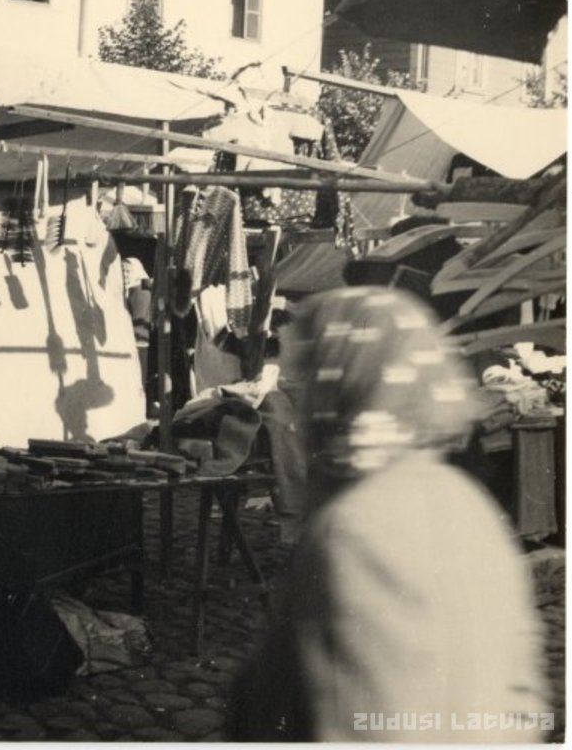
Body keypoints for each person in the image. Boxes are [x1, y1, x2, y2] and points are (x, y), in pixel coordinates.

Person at [227, 287, 547, 743]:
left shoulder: (355, 530)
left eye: (313, 378)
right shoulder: (468, 503)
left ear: (343, 386)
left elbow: (362, 721)